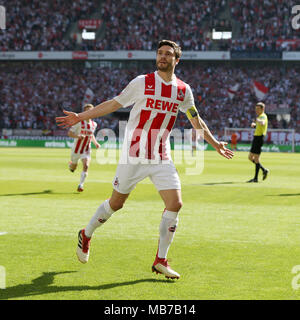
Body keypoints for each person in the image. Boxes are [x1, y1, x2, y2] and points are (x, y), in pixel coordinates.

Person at [56, 40, 234, 279]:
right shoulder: (142, 82)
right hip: (133, 155)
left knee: (175, 204)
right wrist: (81, 116)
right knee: (116, 204)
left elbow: (195, 120)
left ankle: (160, 260)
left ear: (176, 60)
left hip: (161, 156)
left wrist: (215, 144)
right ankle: (86, 234)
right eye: (160, 53)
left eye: (168, 54)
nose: (162, 57)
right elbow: (113, 103)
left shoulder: (183, 90)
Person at [67, 104, 100, 192]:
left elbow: (91, 134)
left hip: (86, 148)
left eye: (91, 111)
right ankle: (71, 164)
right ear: (84, 112)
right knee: (73, 168)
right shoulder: (79, 122)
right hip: (76, 149)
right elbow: (69, 133)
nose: (89, 112)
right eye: (87, 110)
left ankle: (81, 185)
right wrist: (78, 136)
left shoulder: (94, 124)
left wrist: (96, 143)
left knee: (86, 165)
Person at [247, 102, 269, 183]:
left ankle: (256, 178)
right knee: (250, 157)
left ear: (262, 109)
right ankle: (263, 170)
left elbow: (262, 123)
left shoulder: (263, 116)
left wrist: (257, 121)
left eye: (258, 108)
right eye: (256, 108)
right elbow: (260, 126)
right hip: (256, 138)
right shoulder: (260, 116)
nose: (256, 110)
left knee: (256, 158)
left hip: (259, 138)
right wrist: (255, 125)